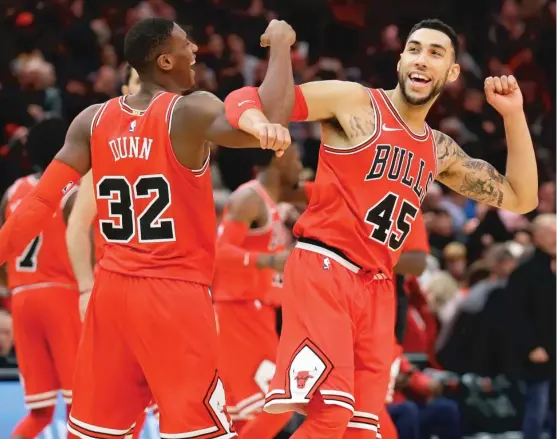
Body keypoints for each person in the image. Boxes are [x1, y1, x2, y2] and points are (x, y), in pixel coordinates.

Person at [226, 18, 538, 438]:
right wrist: (280, 48)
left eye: (435, 52)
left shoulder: (438, 149)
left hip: (378, 290)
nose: (421, 60)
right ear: (400, 60)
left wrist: (514, 115)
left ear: (452, 72)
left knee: (363, 430)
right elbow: (265, 103)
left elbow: (522, 198)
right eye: (414, 49)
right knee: (329, 416)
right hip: (326, 269)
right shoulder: (355, 102)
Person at [0, 17, 296, 439]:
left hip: (112, 296)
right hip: (173, 296)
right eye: (185, 43)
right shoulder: (191, 111)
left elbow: (41, 204)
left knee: (97, 434)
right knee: (197, 432)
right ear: (164, 60)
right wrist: (282, 45)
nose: (194, 48)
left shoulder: (90, 120)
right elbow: (274, 114)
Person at [65, 66, 155, 439]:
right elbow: (76, 226)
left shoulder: (181, 131)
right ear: (124, 89)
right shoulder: (104, 145)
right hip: (119, 290)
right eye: (139, 83)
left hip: (168, 293)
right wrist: (86, 287)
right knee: (113, 416)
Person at [212, 146, 310, 439]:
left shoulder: (272, 202)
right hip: (239, 310)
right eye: (296, 158)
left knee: (249, 411)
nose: (299, 165)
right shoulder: (249, 197)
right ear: (279, 159)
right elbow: (220, 252)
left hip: (260, 311)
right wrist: (268, 260)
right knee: (278, 402)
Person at [0, 118, 81, 439]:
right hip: (62, 295)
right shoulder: (72, 192)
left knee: (40, 412)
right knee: (82, 405)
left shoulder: (13, 191)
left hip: (21, 298)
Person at [507, 214, 556, 439]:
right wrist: (531, 345)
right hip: (539, 354)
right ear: (536, 237)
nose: (555, 238)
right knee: (537, 409)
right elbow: (515, 316)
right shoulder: (524, 273)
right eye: (549, 233)